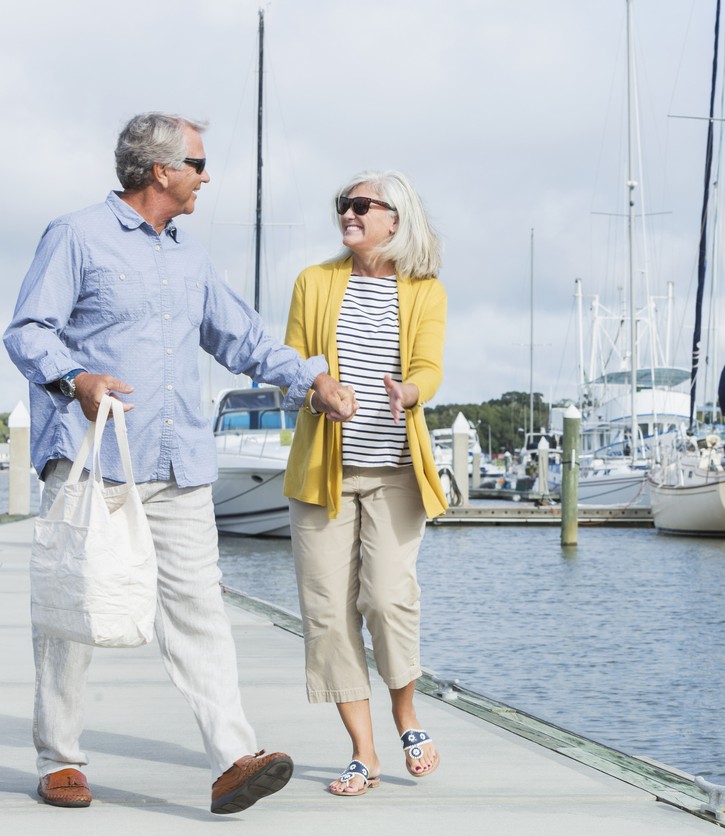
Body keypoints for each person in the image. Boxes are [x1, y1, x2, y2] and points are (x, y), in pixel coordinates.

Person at [4, 112, 357, 814]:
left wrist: (309, 378)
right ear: (160, 170)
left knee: (199, 609)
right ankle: (60, 760)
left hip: (180, 463)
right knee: (76, 611)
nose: (206, 176)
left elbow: (244, 337)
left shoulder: (191, 258)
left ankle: (233, 759)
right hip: (92, 459)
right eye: (197, 163)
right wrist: (78, 379)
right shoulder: (75, 236)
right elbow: (27, 330)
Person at [282, 170, 449, 796]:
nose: (348, 214)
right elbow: (293, 368)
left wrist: (410, 392)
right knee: (326, 614)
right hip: (323, 476)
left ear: (394, 219)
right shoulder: (315, 283)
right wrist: (318, 392)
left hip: (396, 475)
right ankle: (363, 751)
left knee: (386, 599)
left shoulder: (425, 290)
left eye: (360, 205)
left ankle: (406, 714)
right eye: (342, 206)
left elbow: (429, 365)